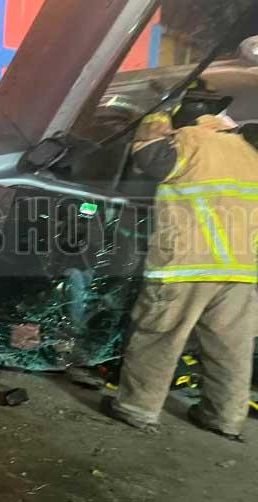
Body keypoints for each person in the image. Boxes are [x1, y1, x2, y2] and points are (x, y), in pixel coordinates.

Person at [105, 94, 258, 441]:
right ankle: (224, 418)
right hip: (240, 269)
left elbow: (149, 159)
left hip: (187, 265)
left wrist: (154, 121)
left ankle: (137, 409)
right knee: (231, 348)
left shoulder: (191, 140)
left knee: (159, 337)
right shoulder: (249, 152)